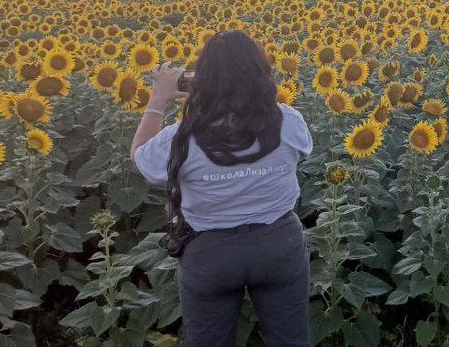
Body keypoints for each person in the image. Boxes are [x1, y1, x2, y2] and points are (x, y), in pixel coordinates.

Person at [130, 30, 313, 347]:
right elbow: (303, 149)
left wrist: (158, 100)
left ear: (201, 81)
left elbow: (141, 159)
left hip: (211, 254)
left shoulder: (183, 137)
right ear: (262, 74)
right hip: (279, 245)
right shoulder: (288, 121)